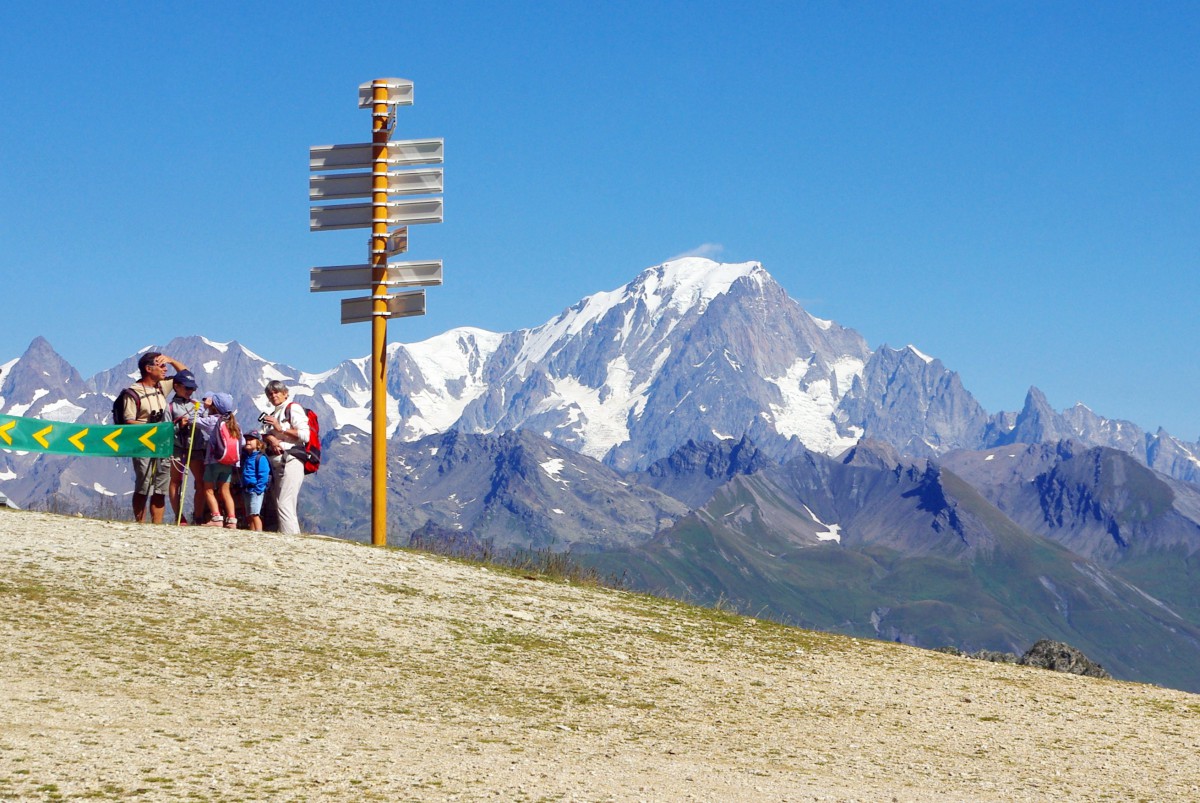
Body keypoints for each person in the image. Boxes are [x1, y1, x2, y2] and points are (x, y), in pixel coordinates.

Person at [122, 352, 188, 524]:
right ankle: (140, 523)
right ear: (148, 369)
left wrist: (172, 360)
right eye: (161, 366)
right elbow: (128, 420)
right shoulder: (132, 392)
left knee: (161, 487)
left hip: (163, 444)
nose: (165, 369)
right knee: (143, 486)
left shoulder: (162, 386)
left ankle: (156, 525)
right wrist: (154, 428)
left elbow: (186, 374)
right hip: (142, 444)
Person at [260, 380, 308, 535]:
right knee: (283, 502)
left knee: (284, 502)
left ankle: (290, 539)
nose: (273, 395)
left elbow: (305, 435)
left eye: (277, 392)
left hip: (292, 459)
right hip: (278, 463)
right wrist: (270, 438)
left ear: (285, 393)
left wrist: (280, 428)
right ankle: (292, 535)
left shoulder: (293, 408)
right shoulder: (273, 414)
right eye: (270, 393)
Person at [193, 392, 243, 529]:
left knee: (208, 490)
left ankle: (216, 518)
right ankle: (232, 520)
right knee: (225, 491)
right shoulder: (234, 423)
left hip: (213, 461)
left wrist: (203, 407)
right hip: (229, 462)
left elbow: (193, 420)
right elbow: (242, 442)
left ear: (214, 406)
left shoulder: (213, 421)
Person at [166, 369, 206, 525]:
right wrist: (179, 426)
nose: (190, 391)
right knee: (176, 481)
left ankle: (199, 516)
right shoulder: (169, 407)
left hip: (196, 448)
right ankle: (179, 516)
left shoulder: (197, 405)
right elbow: (166, 430)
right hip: (178, 448)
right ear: (176, 386)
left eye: (192, 388)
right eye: (187, 388)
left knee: (201, 482)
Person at [241, 430, 270, 532]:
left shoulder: (260, 458)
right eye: (247, 439)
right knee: (249, 515)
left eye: (251, 439)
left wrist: (258, 489)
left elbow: (264, 475)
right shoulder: (247, 458)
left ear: (259, 444)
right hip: (247, 490)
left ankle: (258, 533)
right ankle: (252, 532)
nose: (248, 441)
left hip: (255, 490)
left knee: (255, 514)